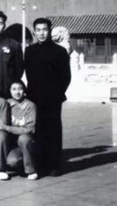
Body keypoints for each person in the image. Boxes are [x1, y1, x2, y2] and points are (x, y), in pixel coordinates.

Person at [24, 17, 71, 176]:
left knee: (53, 130)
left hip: (53, 98)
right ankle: (39, 164)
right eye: (38, 30)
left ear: (50, 31)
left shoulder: (60, 51)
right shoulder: (29, 51)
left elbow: (66, 76)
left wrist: (57, 93)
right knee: (37, 131)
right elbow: (29, 75)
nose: (41, 33)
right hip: (34, 98)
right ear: (34, 32)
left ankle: (54, 165)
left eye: (44, 29)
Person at [4, 80, 38, 180]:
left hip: (25, 141)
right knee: (11, 161)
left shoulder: (30, 105)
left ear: (24, 90)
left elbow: (30, 128)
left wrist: (9, 128)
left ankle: (30, 170)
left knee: (24, 138)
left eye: (20, 89)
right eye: (14, 89)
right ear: (10, 91)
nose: (17, 92)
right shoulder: (6, 103)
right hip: (11, 141)